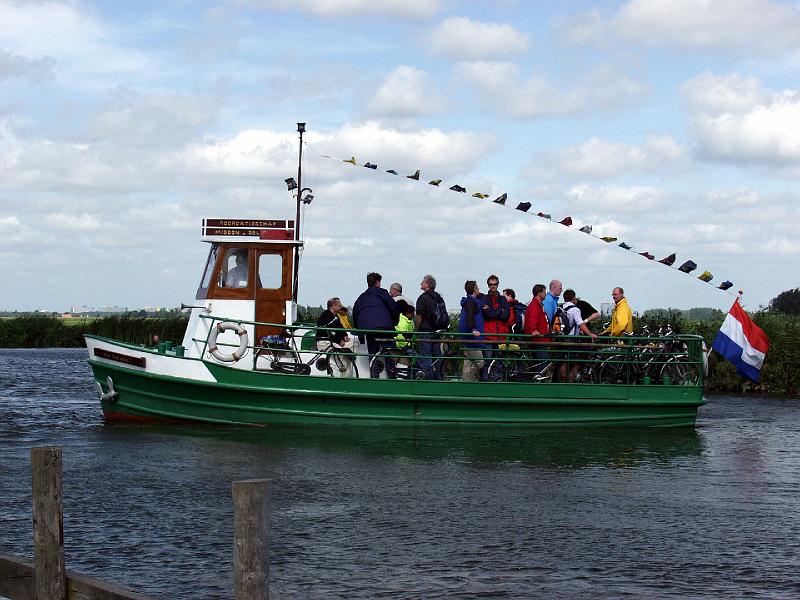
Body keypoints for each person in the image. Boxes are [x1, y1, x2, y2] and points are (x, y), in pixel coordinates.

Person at [353, 272, 401, 378]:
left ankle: (374, 379)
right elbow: (394, 309)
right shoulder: (384, 294)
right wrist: (394, 323)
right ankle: (392, 379)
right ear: (378, 282)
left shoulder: (362, 297)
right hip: (385, 329)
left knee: (373, 356)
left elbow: (355, 314)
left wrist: (360, 331)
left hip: (370, 331)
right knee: (390, 354)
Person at [559, 289, 598, 382]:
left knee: (565, 362)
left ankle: (562, 381)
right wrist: (590, 334)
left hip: (562, 338)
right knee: (577, 362)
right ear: (573, 298)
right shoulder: (575, 310)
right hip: (572, 339)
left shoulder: (560, 308)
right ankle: (570, 382)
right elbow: (580, 323)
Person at [415, 274, 446, 379]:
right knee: (437, 357)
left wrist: (417, 330)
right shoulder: (438, 297)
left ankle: (428, 378)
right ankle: (439, 378)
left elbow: (419, 316)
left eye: (422, 282)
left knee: (426, 357)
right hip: (437, 331)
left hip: (426, 331)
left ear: (427, 284)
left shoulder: (423, 298)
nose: (421, 283)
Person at [458, 280, 488, 382]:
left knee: (469, 361)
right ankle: (474, 382)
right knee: (480, 362)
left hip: (467, 338)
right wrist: (473, 329)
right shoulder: (471, 303)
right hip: (472, 339)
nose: (479, 289)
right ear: (474, 289)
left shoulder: (468, 302)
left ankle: (467, 382)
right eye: (477, 287)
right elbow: (470, 318)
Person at [394, 300, 415, 365]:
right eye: (412, 313)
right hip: (403, 345)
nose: (413, 315)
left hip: (406, 344)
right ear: (408, 313)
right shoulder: (403, 322)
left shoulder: (406, 320)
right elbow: (402, 335)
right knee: (417, 359)